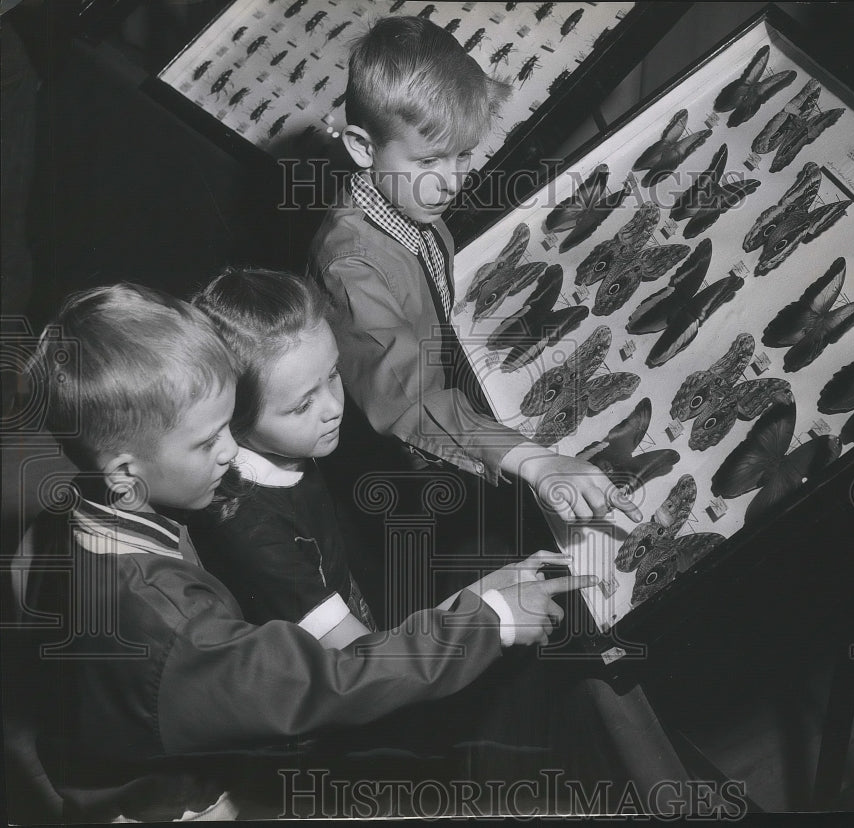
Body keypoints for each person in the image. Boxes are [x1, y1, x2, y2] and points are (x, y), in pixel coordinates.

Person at [10, 282, 593, 822]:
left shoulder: (71, 516)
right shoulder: (176, 633)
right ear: (124, 473)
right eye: (209, 439)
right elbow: (332, 681)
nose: (229, 450)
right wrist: (489, 619)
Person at [307, 16, 642, 528]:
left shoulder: (409, 203)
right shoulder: (352, 265)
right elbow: (409, 402)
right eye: (429, 161)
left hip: (449, 405)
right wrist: (538, 460)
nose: (451, 183)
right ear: (361, 147)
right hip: (401, 461)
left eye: (464, 155)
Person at [188, 266, 571, 639]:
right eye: (303, 405)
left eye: (333, 374)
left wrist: (485, 594)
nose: (334, 407)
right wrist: (490, 612)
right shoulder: (254, 539)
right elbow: (357, 663)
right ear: (231, 417)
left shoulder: (286, 442)